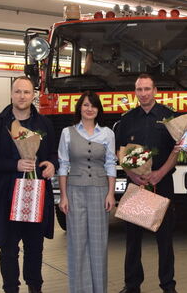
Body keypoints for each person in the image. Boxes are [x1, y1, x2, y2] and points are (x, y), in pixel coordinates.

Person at [0, 76, 57, 293]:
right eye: (17, 91)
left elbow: (52, 152)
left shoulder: (44, 124)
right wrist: (15, 165)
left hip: (35, 195)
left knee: (35, 248)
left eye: (26, 92)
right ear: (11, 94)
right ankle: (11, 288)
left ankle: (35, 287)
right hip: (7, 196)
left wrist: (52, 163)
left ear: (33, 95)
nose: (22, 96)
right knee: (9, 249)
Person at [116, 73, 179, 293]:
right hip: (136, 185)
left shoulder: (169, 117)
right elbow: (119, 151)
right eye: (139, 90)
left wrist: (160, 173)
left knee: (165, 238)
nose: (143, 94)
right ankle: (132, 285)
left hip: (161, 183)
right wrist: (132, 175)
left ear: (155, 91)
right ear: (135, 92)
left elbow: (176, 150)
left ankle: (168, 285)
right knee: (133, 239)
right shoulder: (127, 119)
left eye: (147, 89)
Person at [58, 91, 117, 293]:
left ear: (98, 109)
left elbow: (110, 164)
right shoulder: (67, 132)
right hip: (74, 191)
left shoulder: (108, 133)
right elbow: (63, 165)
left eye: (93, 105)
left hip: (100, 191)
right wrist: (63, 196)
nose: (89, 109)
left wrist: (110, 194)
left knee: (99, 244)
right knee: (77, 243)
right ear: (79, 108)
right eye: (85, 105)